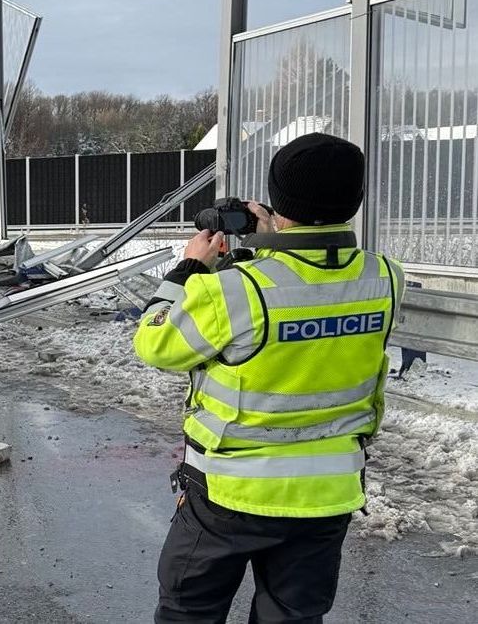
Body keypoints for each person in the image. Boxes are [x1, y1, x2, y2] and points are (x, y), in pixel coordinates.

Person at [133, 133, 405, 623]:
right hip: (327, 494)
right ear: (358, 200)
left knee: (189, 610)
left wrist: (189, 267)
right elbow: (308, 290)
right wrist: (272, 241)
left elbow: (155, 344)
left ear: (277, 203)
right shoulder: (386, 278)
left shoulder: (231, 291)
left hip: (228, 495)